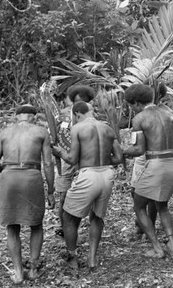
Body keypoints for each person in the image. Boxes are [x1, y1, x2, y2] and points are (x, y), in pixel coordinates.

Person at [52, 101, 123, 269]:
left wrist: (59, 152)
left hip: (88, 175)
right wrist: (102, 161)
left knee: (68, 217)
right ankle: (92, 258)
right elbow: (119, 158)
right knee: (97, 216)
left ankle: (72, 257)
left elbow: (72, 159)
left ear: (77, 114)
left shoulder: (78, 128)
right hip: (107, 174)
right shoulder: (107, 128)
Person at [0, 104, 55, 283]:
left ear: (16, 116)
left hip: (9, 177)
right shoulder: (41, 132)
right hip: (31, 177)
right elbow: (48, 164)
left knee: (12, 226)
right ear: (33, 116)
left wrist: (9, 169)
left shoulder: (4, 133)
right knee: (36, 224)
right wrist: (50, 191)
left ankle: (18, 273)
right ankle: (33, 269)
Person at [123, 84, 173, 258]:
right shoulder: (168, 114)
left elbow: (138, 150)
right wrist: (166, 150)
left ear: (135, 103)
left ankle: (157, 248)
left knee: (139, 206)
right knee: (162, 205)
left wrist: (122, 152)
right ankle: (172, 244)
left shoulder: (140, 119)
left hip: (155, 165)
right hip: (171, 162)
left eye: (130, 106)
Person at [55, 84, 96, 238]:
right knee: (64, 195)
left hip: (87, 160)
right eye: (77, 102)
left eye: (85, 103)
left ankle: (90, 225)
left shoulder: (93, 115)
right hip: (67, 159)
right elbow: (56, 135)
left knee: (90, 194)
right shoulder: (63, 115)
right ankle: (64, 227)